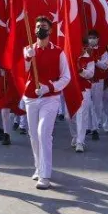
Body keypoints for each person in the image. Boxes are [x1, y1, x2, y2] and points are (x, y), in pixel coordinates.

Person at [22, 16, 71, 191]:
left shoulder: (58, 52)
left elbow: (66, 77)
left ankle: (45, 175)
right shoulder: (28, 49)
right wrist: (27, 59)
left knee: (43, 134)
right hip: (31, 97)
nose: (39, 29)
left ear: (50, 30)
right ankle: (38, 167)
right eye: (37, 26)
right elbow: (23, 72)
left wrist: (49, 87)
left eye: (43, 26)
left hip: (50, 98)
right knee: (34, 135)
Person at [70, 38, 95, 153]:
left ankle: (80, 141)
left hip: (84, 90)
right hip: (71, 89)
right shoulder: (69, 56)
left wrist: (82, 72)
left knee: (81, 115)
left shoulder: (89, 59)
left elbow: (91, 74)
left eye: (83, 47)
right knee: (68, 116)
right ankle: (75, 136)